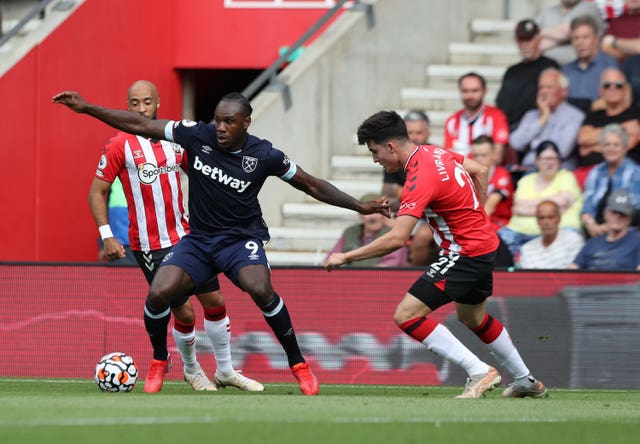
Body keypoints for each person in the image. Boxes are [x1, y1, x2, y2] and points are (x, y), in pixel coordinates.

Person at [54, 89, 390, 396]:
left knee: (260, 289)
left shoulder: (265, 154)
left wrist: (358, 205)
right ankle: (160, 360)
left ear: (246, 123)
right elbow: (141, 125)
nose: (220, 127)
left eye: (229, 122)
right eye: (218, 120)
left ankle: (299, 365)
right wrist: (87, 109)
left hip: (240, 240)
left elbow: (311, 185)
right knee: (159, 292)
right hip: (198, 241)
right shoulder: (196, 135)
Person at [325, 110, 547, 399]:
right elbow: (479, 169)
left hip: (464, 251)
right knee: (474, 317)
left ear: (391, 146)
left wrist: (345, 256)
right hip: (483, 244)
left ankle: (480, 370)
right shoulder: (433, 152)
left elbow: (396, 239)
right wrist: (475, 211)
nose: (375, 159)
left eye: (375, 151)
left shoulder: (418, 177)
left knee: (406, 315)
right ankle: (526, 381)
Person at [88, 80, 263, 393]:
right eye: (135, 104)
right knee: (182, 310)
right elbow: (97, 191)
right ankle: (191, 369)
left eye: (147, 103)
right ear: (127, 106)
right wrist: (107, 235)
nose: (141, 109)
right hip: (148, 243)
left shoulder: (176, 142)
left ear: (158, 104)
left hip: (188, 236)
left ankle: (225, 370)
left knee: (215, 300)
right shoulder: (119, 145)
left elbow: (204, 171)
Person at [498, 140, 584, 259]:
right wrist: (552, 203)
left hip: (560, 230)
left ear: (559, 161)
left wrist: (528, 205)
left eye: (553, 158)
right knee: (500, 241)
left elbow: (562, 201)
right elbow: (517, 208)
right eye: (545, 159)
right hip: (520, 230)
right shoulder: (526, 180)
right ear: (537, 161)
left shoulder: (566, 177)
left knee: (570, 239)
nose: (549, 163)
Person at [382, 110, 434, 267]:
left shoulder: (435, 155)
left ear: (428, 133)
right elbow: (388, 192)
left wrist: (402, 191)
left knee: (422, 237)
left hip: (432, 216)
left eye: (419, 132)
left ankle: (412, 275)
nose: (414, 137)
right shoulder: (395, 158)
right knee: (382, 224)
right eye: (410, 132)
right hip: (409, 212)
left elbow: (431, 196)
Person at [509, 68, 585, 171]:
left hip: (559, 171)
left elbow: (562, 151)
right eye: (541, 88)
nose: (544, 92)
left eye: (549, 87)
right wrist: (543, 118)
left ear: (564, 92)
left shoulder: (575, 116)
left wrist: (534, 144)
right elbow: (515, 143)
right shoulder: (531, 115)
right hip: (528, 170)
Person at [495, 19, 560, 132]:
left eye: (528, 39)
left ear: (538, 39)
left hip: (540, 127)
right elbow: (501, 105)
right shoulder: (512, 71)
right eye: (521, 40)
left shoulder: (550, 67)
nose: (525, 44)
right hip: (510, 129)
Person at [581, 123, 640, 238]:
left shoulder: (635, 173)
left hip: (625, 232)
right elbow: (587, 208)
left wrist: (610, 226)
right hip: (595, 232)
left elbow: (636, 210)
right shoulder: (595, 172)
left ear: (624, 148)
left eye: (616, 145)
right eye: (606, 145)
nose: (611, 149)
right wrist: (591, 225)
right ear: (601, 148)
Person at [576, 68, 640, 172]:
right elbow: (583, 139)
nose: (612, 88)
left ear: (626, 89)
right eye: (607, 85)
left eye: (618, 85)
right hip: (589, 171)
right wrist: (622, 128)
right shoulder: (593, 116)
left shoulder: (636, 114)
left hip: (624, 173)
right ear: (600, 90)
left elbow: (629, 143)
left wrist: (590, 147)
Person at [325, 193, 408, 267]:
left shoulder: (393, 233)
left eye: (376, 212)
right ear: (359, 215)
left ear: (385, 213)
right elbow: (330, 259)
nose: (372, 217)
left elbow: (390, 265)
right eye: (368, 213)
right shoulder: (350, 232)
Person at [443, 72, 509, 164]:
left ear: (484, 91)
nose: (470, 96)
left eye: (475, 91)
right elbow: (448, 157)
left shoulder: (496, 116)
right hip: (459, 173)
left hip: (487, 174)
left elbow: (497, 157)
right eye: (465, 91)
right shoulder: (452, 121)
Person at [561, 15, 619, 113]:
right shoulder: (565, 70)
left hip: (599, 121)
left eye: (585, 37)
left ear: (596, 39)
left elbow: (612, 101)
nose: (580, 42)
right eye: (576, 38)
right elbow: (560, 103)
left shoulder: (609, 65)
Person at [569, 189, 640, 269]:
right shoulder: (592, 243)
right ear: (606, 213)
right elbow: (572, 269)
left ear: (629, 218)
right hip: (591, 281)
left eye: (622, 214)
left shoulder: (637, 241)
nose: (617, 217)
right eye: (614, 212)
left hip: (625, 281)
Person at [518, 200, 585, 269]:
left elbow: (574, 273)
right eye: (542, 218)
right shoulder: (527, 249)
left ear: (559, 218)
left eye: (550, 217)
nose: (546, 222)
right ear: (537, 221)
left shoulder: (573, 240)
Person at [537, 0, 605, 65]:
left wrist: (540, 32)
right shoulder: (547, 12)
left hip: (579, 69)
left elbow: (567, 32)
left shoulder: (589, 8)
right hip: (545, 69)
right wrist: (563, 38)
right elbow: (532, 39)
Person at [469, 135, 514, 232]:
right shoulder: (468, 175)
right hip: (477, 221)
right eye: (476, 155)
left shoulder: (502, 175)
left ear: (494, 154)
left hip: (498, 223)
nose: (479, 159)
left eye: (484, 155)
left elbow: (489, 208)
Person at [97, 177, 136, 265]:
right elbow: (105, 212)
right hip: (119, 248)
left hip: (147, 246)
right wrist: (103, 243)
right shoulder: (114, 175)